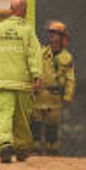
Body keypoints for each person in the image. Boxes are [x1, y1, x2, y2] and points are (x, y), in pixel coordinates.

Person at [0, 0, 42, 163]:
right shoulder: (28, 31)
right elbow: (33, 55)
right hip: (22, 82)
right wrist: (37, 76)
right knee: (22, 117)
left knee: (4, 115)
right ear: (24, 11)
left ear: (10, 10)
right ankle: (22, 148)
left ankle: (4, 145)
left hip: (2, 81)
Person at [32, 20, 76, 155]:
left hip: (54, 97)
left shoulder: (67, 57)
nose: (51, 36)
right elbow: (33, 70)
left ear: (62, 37)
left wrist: (68, 95)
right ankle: (35, 150)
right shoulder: (40, 53)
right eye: (50, 33)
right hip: (39, 95)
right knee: (35, 125)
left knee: (52, 127)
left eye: (54, 33)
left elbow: (70, 78)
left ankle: (53, 152)